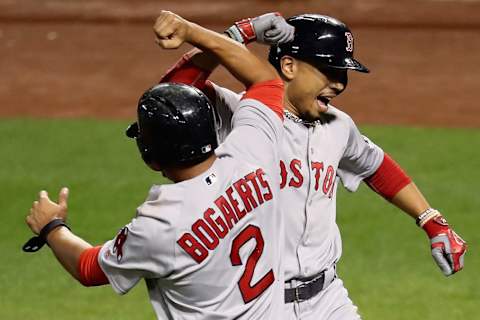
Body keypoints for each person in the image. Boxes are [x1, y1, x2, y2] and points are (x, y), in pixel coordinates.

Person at [159, 12, 468, 319]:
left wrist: (431, 220)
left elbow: (376, 165)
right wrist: (240, 33)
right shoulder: (237, 113)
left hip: (327, 299)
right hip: (255, 305)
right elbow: (170, 100)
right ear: (289, 66)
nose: (339, 84)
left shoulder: (338, 125)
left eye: (343, 74)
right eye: (329, 71)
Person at [24, 10, 287, 319]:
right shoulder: (255, 152)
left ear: (150, 159)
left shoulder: (159, 225)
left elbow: (89, 268)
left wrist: (51, 227)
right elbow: (266, 80)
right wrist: (218, 32)